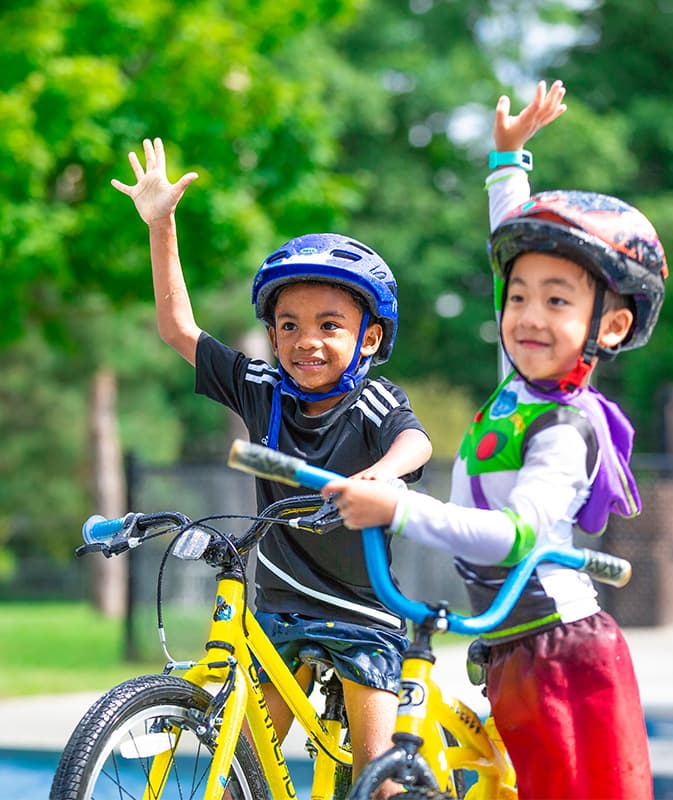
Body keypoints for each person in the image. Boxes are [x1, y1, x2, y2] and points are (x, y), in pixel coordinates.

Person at [320, 80, 668, 800]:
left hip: (566, 658)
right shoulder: (520, 387)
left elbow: (511, 538)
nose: (529, 315)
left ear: (610, 327)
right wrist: (509, 157)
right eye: (518, 297)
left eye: (558, 301)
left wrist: (398, 510)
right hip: (510, 649)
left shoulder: (562, 429)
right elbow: (514, 239)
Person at [110, 141, 434, 791]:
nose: (304, 341)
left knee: (377, 775)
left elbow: (415, 443)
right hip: (279, 609)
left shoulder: (372, 400)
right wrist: (160, 225)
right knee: (248, 761)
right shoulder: (261, 386)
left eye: (328, 325)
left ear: (369, 337)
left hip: (359, 612)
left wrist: (382, 475)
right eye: (288, 325)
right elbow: (178, 329)